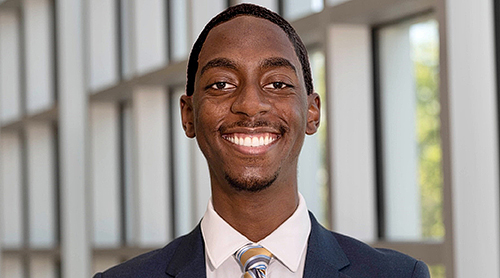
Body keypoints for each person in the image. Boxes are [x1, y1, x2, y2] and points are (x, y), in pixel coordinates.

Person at [93, 3, 430, 278]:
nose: (250, 105)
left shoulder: (398, 275)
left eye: (278, 84)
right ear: (189, 115)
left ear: (312, 113)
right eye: (222, 84)